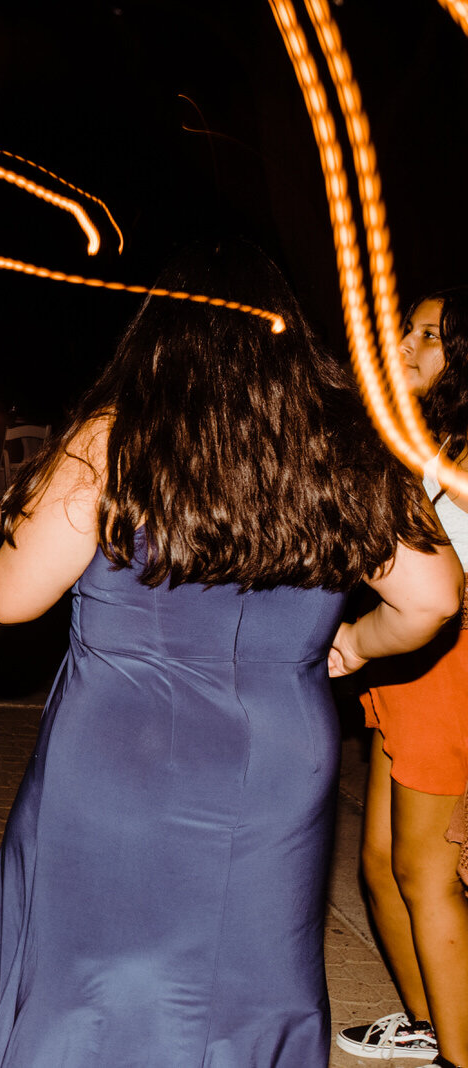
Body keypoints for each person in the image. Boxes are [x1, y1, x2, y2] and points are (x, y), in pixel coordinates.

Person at [0, 242, 462, 1067]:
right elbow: (437, 596)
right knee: (252, 981)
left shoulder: (117, 440)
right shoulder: (341, 442)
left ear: (159, 332)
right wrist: (352, 642)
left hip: (121, 752)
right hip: (277, 758)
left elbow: (4, 598)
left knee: (94, 979)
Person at [337, 289, 468, 1068]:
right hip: (404, 661)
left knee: (428, 875)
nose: (409, 345)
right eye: (407, 331)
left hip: (449, 668)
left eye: (430, 336)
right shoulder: (424, 440)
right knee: (380, 865)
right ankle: (429, 1023)